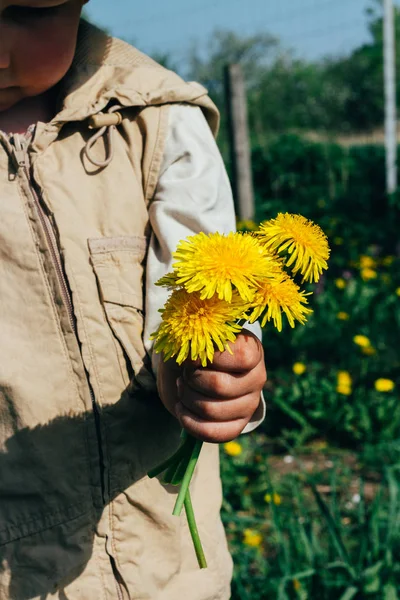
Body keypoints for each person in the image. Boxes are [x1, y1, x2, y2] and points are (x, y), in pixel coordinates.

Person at [0, 1, 267, 598]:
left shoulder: (160, 123)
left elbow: (209, 292)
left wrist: (211, 376)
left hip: (169, 569)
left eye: (27, 11)